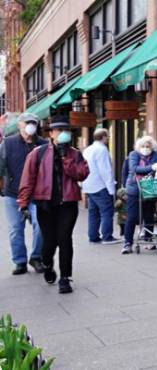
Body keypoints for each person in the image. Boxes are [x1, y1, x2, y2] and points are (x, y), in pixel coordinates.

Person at [18, 115, 89, 294]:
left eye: (65, 130)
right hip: (45, 203)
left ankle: (65, 278)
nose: (62, 133)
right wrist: (23, 203)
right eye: (58, 130)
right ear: (51, 133)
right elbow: (28, 179)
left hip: (68, 203)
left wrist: (66, 159)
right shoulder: (38, 153)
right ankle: (47, 264)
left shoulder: (75, 154)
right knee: (49, 242)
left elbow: (82, 174)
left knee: (65, 239)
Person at [0, 113, 47, 275]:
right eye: (28, 123)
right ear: (20, 125)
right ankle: (19, 261)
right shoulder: (8, 143)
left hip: (37, 194)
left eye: (34, 123)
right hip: (13, 193)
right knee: (15, 229)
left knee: (40, 226)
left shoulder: (43, 144)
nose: (31, 126)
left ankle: (36, 257)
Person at [122, 136, 157, 254]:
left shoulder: (155, 155)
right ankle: (127, 243)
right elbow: (134, 168)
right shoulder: (134, 154)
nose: (146, 148)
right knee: (132, 216)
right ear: (139, 147)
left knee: (149, 215)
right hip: (134, 189)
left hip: (149, 189)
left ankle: (148, 239)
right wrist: (151, 167)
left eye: (148, 146)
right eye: (143, 146)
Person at [82, 128, 119, 245]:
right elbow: (105, 171)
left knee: (93, 213)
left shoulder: (87, 149)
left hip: (89, 186)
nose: (108, 138)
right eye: (107, 136)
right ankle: (107, 237)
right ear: (103, 137)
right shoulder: (102, 150)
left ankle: (93, 237)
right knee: (107, 212)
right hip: (100, 186)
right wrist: (111, 189)